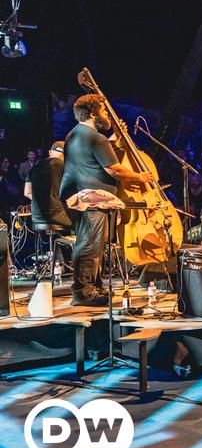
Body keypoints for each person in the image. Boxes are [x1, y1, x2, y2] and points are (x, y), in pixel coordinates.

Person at [61, 94, 155, 306]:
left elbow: (94, 155)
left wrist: (115, 139)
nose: (106, 115)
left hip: (78, 197)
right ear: (94, 113)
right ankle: (83, 292)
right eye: (103, 111)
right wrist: (141, 176)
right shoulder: (96, 137)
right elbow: (114, 169)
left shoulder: (75, 134)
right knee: (90, 245)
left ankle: (93, 288)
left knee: (93, 244)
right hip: (92, 198)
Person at [24, 141, 72, 230]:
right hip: (59, 217)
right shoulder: (67, 168)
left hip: (37, 217)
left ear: (50, 152)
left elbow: (27, 193)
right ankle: (67, 243)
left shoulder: (34, 169)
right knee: (83, 222)